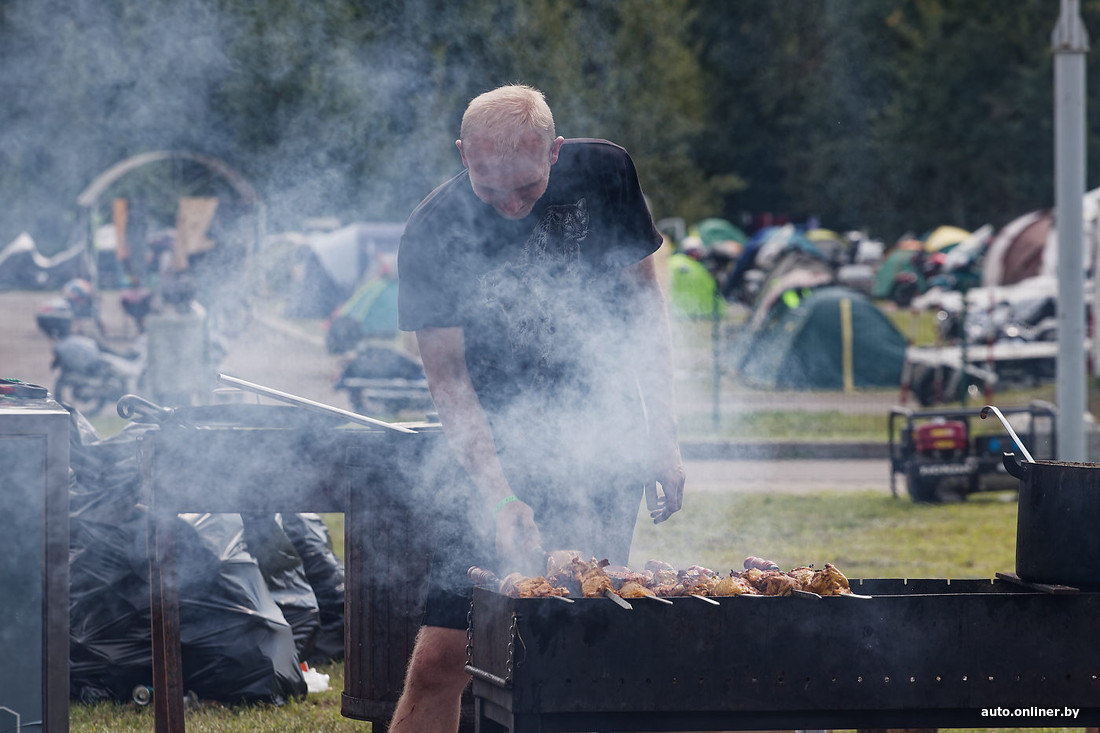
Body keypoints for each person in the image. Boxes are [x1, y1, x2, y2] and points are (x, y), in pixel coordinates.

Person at [391, 84, 685, 733]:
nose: (510, 205)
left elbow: (644, 314)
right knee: (443, 655)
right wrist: (500, 498)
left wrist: (664, 438)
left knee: (587, 641)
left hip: (601, 438)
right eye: (489, 187)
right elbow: (450, 383)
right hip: (492, 453)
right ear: (462, 153)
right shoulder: (431, 233)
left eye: (526, 187)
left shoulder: (605, 172)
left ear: (554, 151)